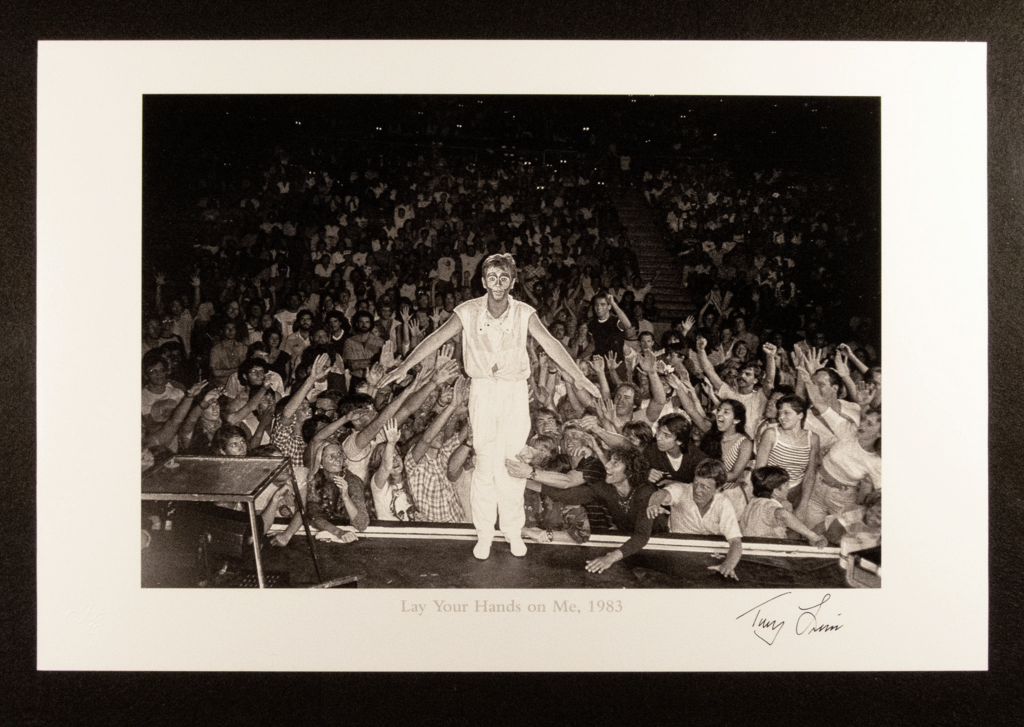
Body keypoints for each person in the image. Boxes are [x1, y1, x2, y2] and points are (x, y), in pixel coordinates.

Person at [380, 253, 600, 560]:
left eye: (504, 278)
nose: (498, 284)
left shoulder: (525, 312)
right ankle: (484, 533)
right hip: (482, 390)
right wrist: (405, 366)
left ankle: (512, 531)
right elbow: (435, 337)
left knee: (511, 464)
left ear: (512, 282)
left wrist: (578, 377)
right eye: (493, 278)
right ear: (484, 281)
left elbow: (551, 344)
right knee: (484, 463)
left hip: (513, 392)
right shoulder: (467, 310)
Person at [508, 444, 660, 573]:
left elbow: (642, 536)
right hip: (627, 544)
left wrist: (609, 558)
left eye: (615, 463)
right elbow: (568, 496)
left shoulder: (645, 492)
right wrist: (522, 479)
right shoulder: (606, 488)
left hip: (662, 541)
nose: (607, 465)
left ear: (630, 471)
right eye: (610, 461)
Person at [645, 459, 744, 580]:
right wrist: (654, 504)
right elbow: (661, 494)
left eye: (704, 487)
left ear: (717, 489)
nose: (697, 490)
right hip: (677, 552)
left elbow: (735, 541)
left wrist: (728, 565)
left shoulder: (723, 504)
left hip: (709, 556)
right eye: (696, 483)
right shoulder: (681, 490)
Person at [754, 394, 820, 512]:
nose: (781, 417)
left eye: (786, 413)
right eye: (779, 413)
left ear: (800, 415)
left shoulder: (813, 438)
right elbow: (759, 471)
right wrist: (776, 497)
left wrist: (803, 504)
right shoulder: (771, 434)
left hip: (796, 493)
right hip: (771, 492)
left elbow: (810, 474)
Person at [739, 466, 827, 546]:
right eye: (786, 485)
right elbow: (782, 514)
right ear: (776, 491)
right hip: (767, 553)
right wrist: (812, 536)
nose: (788, 488)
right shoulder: (767, 504)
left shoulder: (753, 503)